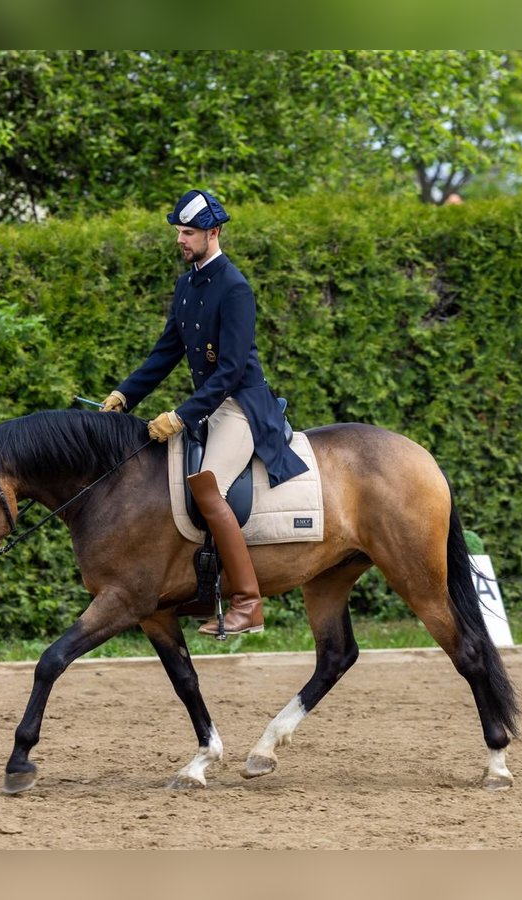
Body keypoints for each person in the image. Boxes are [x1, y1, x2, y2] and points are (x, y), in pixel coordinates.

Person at [100, 189, 308, 636]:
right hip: (211, 405)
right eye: (178, 231)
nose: (180, 239)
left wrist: (181, 414)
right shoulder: (186, 284)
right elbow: (166, 352)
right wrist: (125, 394)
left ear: (213, 232)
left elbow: (231, 370)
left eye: (188, 232)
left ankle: (248, 602)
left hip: (240, 407)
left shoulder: (235, 288)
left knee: (207, 485)